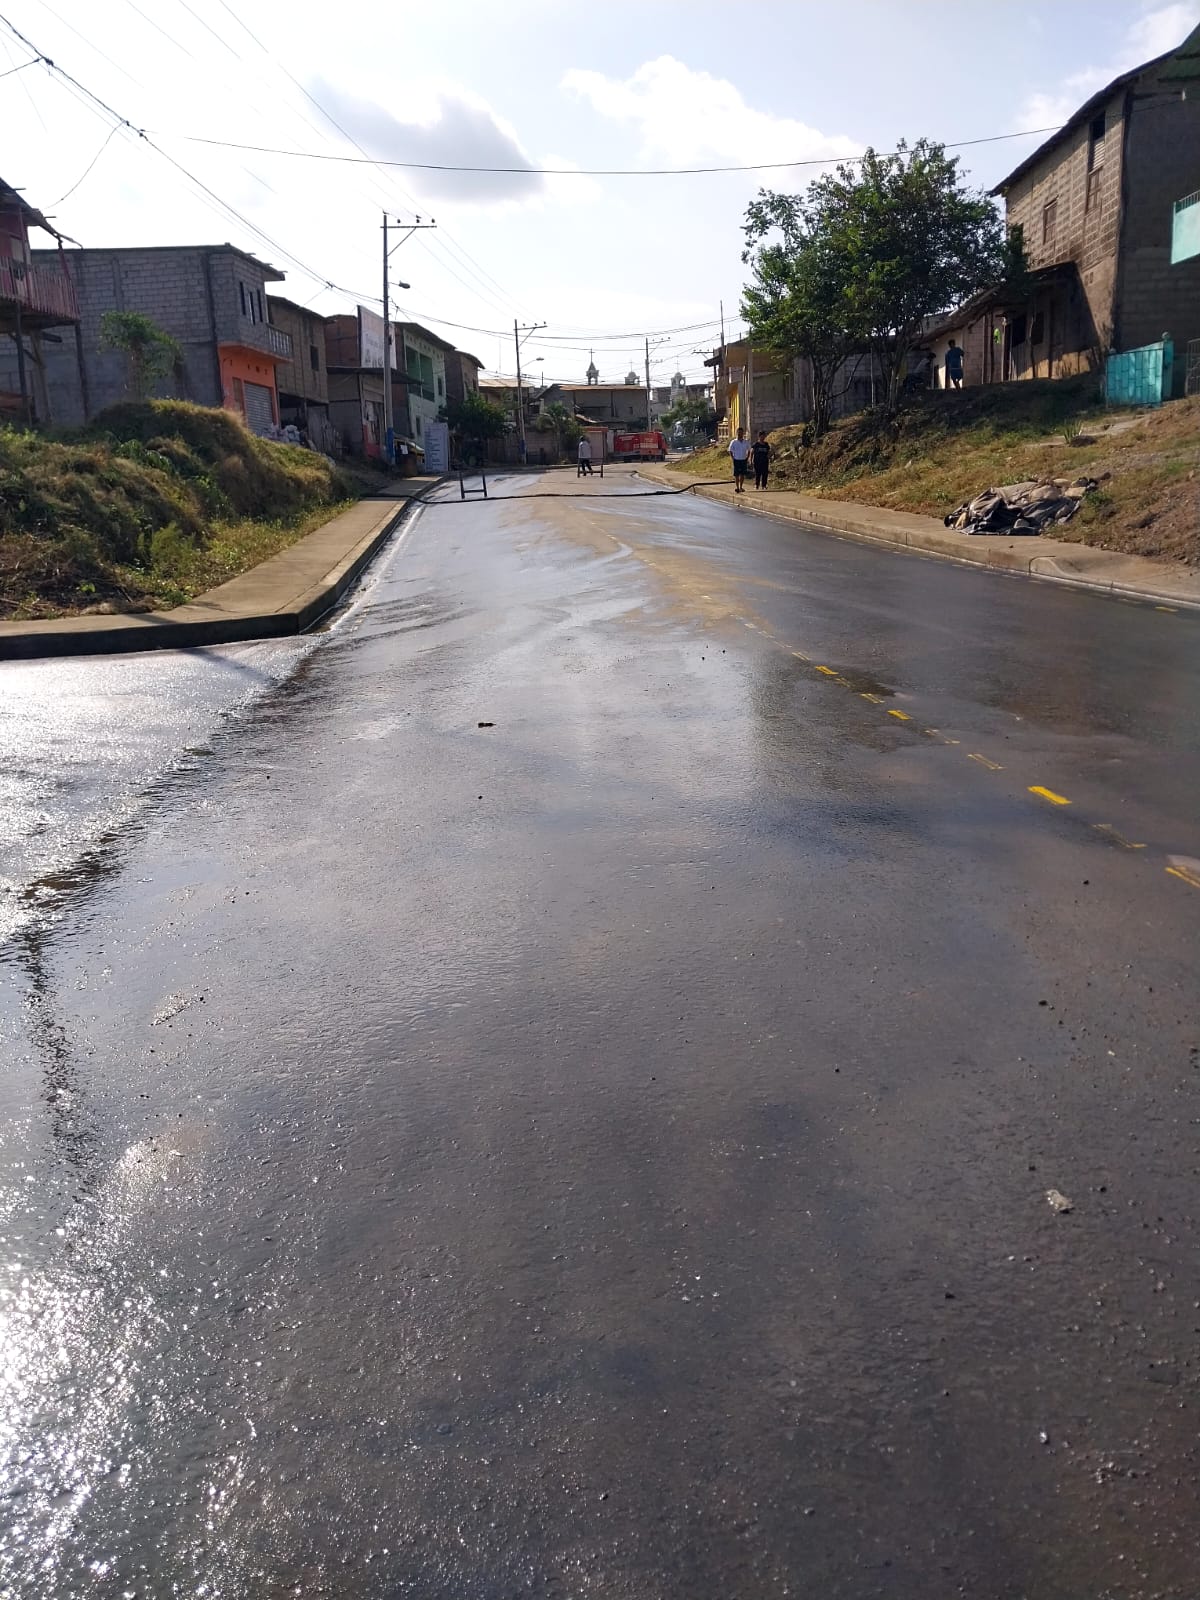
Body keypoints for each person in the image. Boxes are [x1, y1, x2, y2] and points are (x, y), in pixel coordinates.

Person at [728, 427, 751, 493]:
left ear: (743, 433)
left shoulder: (745, 442)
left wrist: (747, 457)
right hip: (736, 460)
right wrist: (733, 458)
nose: (740, 434)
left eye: (741, 433)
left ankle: (741, 487)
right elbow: (730, 450)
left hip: (743, 459)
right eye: (739, 433)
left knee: (742, 474)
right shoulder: (733, 442)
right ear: (737, 433)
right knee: (736, 475)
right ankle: (737, 487)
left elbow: (749, 450)